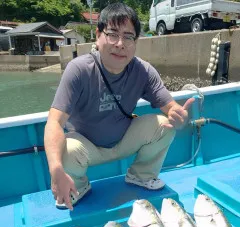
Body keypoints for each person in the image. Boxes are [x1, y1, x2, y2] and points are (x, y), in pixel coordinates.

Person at [44, 2, 194, 211]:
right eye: (112, 34)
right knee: (65, 149)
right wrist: (56, 169)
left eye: (128, 36)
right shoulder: (78, 69)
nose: (120, 44)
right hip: (88, 147)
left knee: (164, 126)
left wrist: (178, 114)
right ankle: (77, 187)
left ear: (136, 41)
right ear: (98, 35)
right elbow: (54, 122)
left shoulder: (143, 70)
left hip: (124, 140)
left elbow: (169, 106)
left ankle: (141, 176)